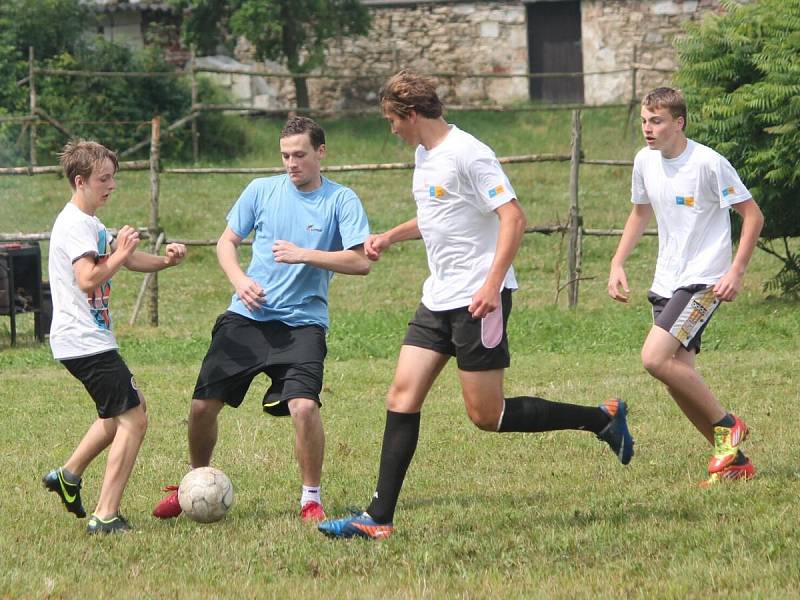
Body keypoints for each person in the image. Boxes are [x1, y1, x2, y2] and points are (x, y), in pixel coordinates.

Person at [318, 70, 634, 540]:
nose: (392, 130)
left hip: (477, 299)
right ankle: (378, 518)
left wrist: (491, 285)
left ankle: (601, 418)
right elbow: (437, 214)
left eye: (392, 121)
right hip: (438, 297)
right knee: (401, 397)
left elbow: (514, 218)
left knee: (488, 416)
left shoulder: (470, 154)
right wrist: (391, 235)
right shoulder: (426, 156)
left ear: (411, 114)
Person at [152, 117, 371, 522]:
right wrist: (240, 280)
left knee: (304, 407)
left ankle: (310, 499)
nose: (292, 163)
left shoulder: (341, 201)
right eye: (286, 155)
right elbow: (226, 242)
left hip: (303, 323)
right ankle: (194, 482)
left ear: (321, 153)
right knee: (201, 406)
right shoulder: (261, 190)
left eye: (300, 155)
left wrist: (305, 253)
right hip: (247, 317)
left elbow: (360, 262)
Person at [607, 87, 765, 487]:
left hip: (704, 280)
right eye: (644, 120)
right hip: (666, 281)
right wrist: (617, 261)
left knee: (654, 359)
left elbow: (752, 216)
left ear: (679, 123)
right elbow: (640, 213)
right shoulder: (645, 161)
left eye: (656, 121)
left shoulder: (709, 164)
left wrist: (736, 271)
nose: (648, 128)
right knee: (678, 376)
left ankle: (729, 426)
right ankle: (734, 461)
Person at [43, 140, 187, 534]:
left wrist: (165, 262)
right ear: (80, 181)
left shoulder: (90, 223)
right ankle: (105, 516)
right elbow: (88, 278)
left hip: (88, 340)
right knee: (134, 419)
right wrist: (121, 253)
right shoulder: (75, 224)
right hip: (84, 341)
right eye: (103, 179)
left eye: (113, 177)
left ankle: (68, 476)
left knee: (125, 407)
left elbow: (124, 258)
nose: (112, 185)